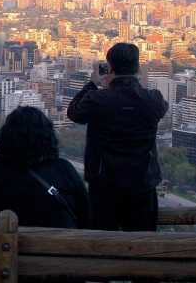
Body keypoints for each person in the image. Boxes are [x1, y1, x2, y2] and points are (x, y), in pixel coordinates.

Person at [68, 43, 168, 231]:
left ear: (110, 68)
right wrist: (138, 85)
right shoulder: (153, 100)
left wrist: (93, 83)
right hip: (142, 185)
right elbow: (158, 106)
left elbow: (74, 113)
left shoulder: (98, 99)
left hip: (104, 186)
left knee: (103, 246)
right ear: (138, 68)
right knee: (142, 244)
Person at [0, 106, 89, 228]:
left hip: (5, 245)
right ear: (48, 136)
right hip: (61, 245)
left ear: (6, 135)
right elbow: (85, 215)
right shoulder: (64, 169)